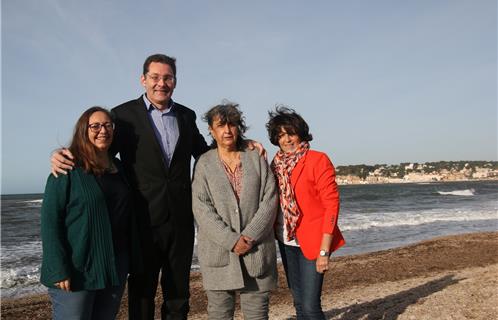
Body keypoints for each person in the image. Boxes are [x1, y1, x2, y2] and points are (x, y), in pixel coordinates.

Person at [50, 54, 265, 320]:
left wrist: (243, 144)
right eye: (155, 77)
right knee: (142, 294)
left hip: (180, 221)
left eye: (167, 78)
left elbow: (207, 152)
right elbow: (99, 151)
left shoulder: (186, 116)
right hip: (141, 222)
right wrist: (64, 154)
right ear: (143, 80)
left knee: (178, 295)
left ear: (174, 81)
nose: (161, 83)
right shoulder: (124, 116)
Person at [41, 107, 133, 319]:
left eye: (108, 125)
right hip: (78, 267)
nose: (103, 130)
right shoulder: (67, 167)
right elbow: (50, 221)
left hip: (114, 266)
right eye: (96, 126)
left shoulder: (119, 168)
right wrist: (58, 268)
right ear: (84, 130)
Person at [192, 102, 278, 320]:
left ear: (240, 128)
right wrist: (231, 240)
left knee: (257, 315)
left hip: (256, 251)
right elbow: (201, 209)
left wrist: (249, 236)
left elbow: (270, 200)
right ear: (211, 130)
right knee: (219, 314)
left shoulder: (255, 158)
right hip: (219, 254)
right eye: (221, 125)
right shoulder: (204, 163)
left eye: (232, 124)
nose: (227, 130)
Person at [266, 106, 345, 320]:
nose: (286, 139)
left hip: (313, 242)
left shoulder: (318, 160)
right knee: (299, 304)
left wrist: (324, 251)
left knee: (310, 306)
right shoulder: (276, 165)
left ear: (300, 133)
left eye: (290, 133)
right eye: (280, 135)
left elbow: (331, 205)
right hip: (285, 239)